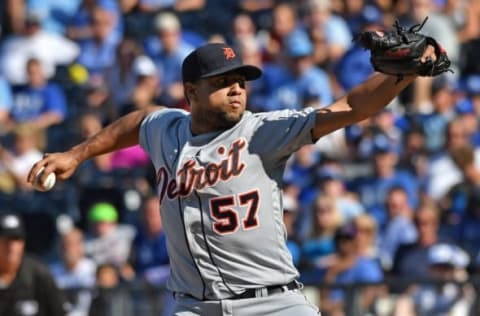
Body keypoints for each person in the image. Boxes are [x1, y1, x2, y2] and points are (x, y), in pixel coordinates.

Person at [28, 40, 438, 315]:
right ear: (190, 92)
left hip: (273, 302)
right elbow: (137, 122)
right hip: (197, 306)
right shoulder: (166, 129)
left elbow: (350, 106)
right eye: (222, 83)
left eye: (240, 81)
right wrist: (76, 154)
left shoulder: (263, 131)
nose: (236, 89)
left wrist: (400, 76)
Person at [0, 213, 69, 316]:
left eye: (17, 240)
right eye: (6, 240)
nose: (11, 247)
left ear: (23, 243)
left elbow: (59, 312)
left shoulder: (39, 274)